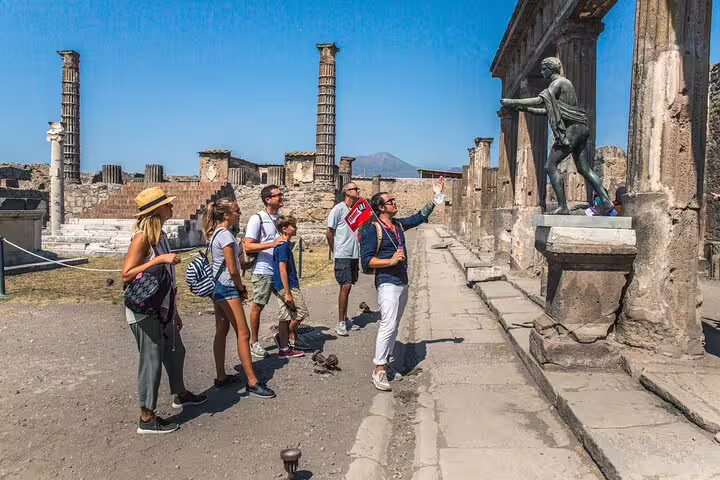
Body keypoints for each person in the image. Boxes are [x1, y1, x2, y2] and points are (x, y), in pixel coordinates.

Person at [122, 186, 207, 434]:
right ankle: (146, 418)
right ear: (155, 210)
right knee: (151, 361)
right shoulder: (142, 238)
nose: (171, 206)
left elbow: (167, 280)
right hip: (145, 311)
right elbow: (126, 274)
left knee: (176, 350)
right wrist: (159, 260)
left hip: (164, 308)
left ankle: (180, 393)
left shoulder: (161, 237)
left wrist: (176, 311)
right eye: (167, 204)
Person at [360, 178, 445, 391]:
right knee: (387, 323)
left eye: (394, 200)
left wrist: (436, 196)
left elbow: (419, 217)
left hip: (402, 280)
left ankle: (387, 363)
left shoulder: (397, 225)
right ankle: (378, 370)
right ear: (381, 208)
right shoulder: (373, 229)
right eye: (391, 201)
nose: (395, 203)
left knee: (395, 324)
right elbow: (366, 260)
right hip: (386, 281)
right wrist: (389, 261)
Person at [204, 198, 276, 398]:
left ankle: (220, 376)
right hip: (228, 288)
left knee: (221, 330)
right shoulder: (226, 235)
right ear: (227, 215)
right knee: (243, 334)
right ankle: (252, 381)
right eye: (236, 211)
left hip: (217, 286)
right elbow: (232, 268)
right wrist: (241, 288)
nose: (239, 214)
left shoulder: (216, 233)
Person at [244, 185, 287, 359]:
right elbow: (248, 245)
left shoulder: (282, 218)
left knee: (289, 305)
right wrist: (272, 244)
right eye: (278, 195)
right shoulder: (258, 218)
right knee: (258, 306)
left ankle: (285, 339)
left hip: (280, 270)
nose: (282, 197)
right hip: (263, 269)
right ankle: (254, 342)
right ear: (268, 199)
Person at [272, 215, 311, 358]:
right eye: (293, 226)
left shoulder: (282, 245)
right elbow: (282, 269)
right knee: (301, 312)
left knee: (285, 316)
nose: (296, 228)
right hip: (288, 286)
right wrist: (288, 292)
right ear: (284, 229)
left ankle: (283, 348)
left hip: (279, 285)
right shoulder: (283, 246)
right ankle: (284, 337)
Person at [327, 181, 362, 337]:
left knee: (349, 286)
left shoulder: (355, 210)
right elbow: (329, 232)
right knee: (345, 286)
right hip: (342, 254)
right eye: (355, 188)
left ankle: (346, 319)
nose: (358, 190)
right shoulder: (338, 209)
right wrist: (335, 250)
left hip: (354, 253)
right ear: (347, 192)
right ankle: (340, 322)